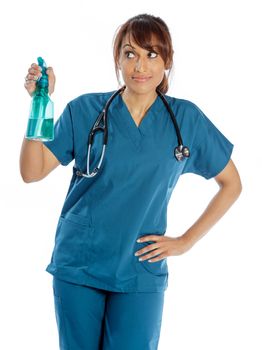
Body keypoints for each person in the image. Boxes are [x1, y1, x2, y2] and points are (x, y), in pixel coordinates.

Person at [20, 13, 242, 350]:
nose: (140, 65)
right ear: (118, 61)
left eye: (151, 54)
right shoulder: (85, 111)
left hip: (141, 270)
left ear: (167, 61)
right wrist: (40, 105)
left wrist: (185, 241)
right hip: (79, 264)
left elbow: (232, 184)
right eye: (130, 54)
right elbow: (31, 172)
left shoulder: (186, 120)